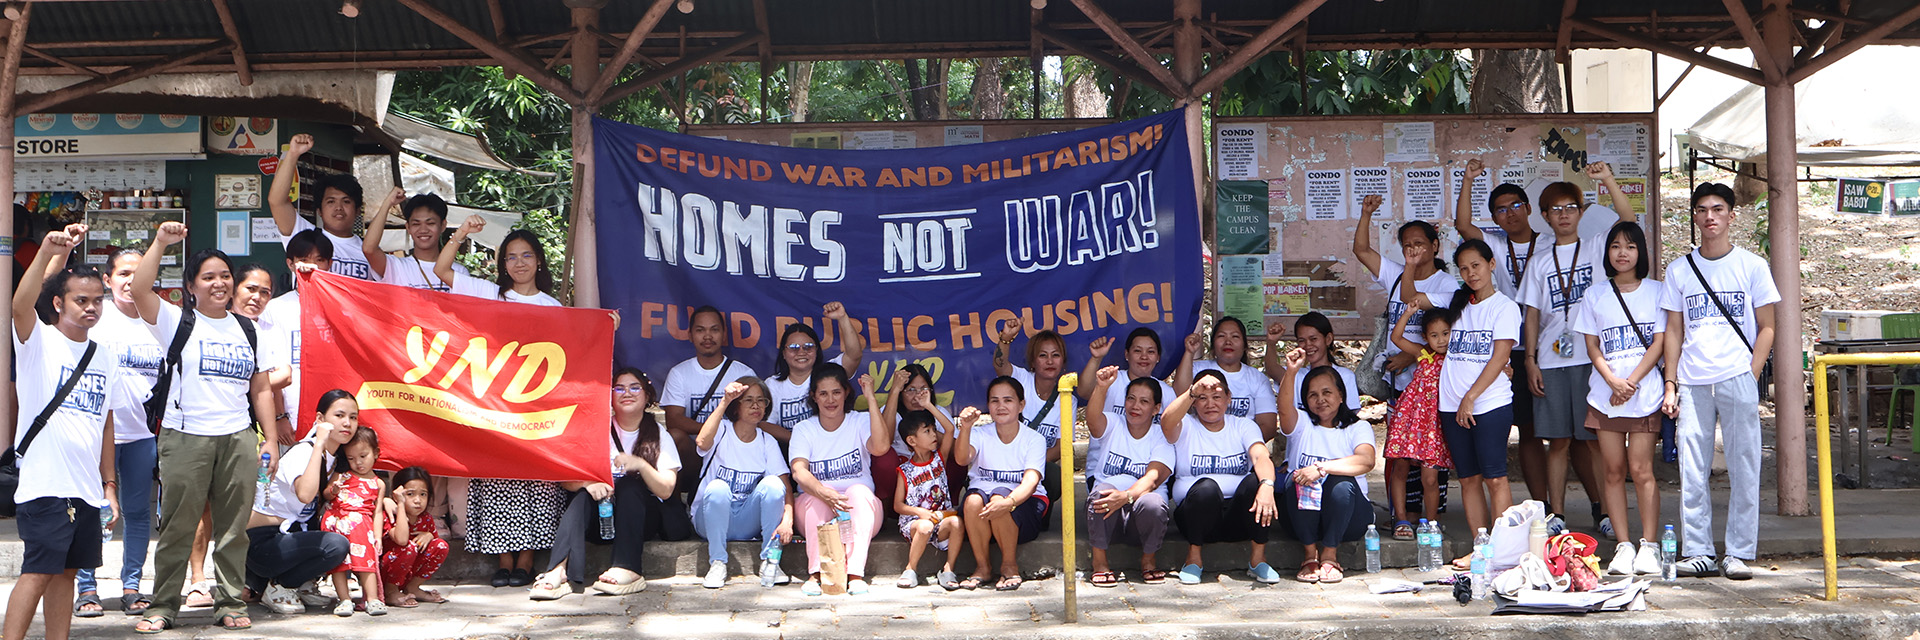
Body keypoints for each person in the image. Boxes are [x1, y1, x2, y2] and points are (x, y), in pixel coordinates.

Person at [130, 222, 279, 634]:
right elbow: (140, 290)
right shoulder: (176, 321)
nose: (219, 283)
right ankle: (162, 606)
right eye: (208, 277)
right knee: (178, 527)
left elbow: (261, 387)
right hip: (185, 437)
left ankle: (230, 602)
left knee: (233, 529)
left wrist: (269, 440)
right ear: (191, 286)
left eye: (225, 276)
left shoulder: (249, 328)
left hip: (237, 438)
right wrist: (160, 242)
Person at [434, 218, 572, 587]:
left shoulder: (553, 306)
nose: (519, 263)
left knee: (534, 482)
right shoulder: (489, 293)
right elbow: (442, 270)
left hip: (534, 405)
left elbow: (571, 351)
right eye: (511, 257)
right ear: (503, 264)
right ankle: (504, 561)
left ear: (539, 261)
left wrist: (607, 325)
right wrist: (461, 234)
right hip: (494, 405)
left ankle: (526, 562)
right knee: (498, 481)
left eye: (527, 255)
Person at [5, 225, 126, 640]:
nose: (91, 308)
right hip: (44, 485)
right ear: (58, 303)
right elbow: (19, 304)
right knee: (38, 571)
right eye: (81, 300)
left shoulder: (104, 356)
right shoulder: (38, 340)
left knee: (68, 573)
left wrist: (109, 486)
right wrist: (46, 252)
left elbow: (106, 422)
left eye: (97, 300)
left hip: (86, 488)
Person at [1660, 182, 1778, 581]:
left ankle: (1740, 551)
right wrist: (1671, 382)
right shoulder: (1679, 270)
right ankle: (1698, 551)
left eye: (1717, 209)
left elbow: (1767, 326)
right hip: (1693, 380)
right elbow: (1673, 330)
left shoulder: (1752, 266)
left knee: (1745, 464)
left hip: (1736, 375)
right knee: (1692, 467)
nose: (1709, 216)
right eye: (1702, 209)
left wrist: (1750, 372)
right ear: (1694, 216)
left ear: (1731, 215)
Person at [1519, 162, 1638, 534]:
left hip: (1594, 359)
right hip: (1551, 360)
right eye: (1556, 209)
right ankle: (1556, 514)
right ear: (1544, 217)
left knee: (1595, 441)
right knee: (1558, 441)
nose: (1564, 215)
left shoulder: (1597, 247)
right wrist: (1530, 359)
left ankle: (1605, 512)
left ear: (1581, 212)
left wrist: (1607, 180)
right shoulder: (1539, 262)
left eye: (1571, 207)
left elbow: (1628, 220)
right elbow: (1532, 314)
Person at [531, 368, 690, 598]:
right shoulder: (596, 430)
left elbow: (666, 490)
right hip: (601, 521)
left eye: (635, 387)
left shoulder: (659, 434)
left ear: (647, 396)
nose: (627, 393)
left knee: (629, 485)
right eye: (619, 388)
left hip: (639, 522)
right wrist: (587, 483)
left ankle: (628, 568)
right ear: (610, 397)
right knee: (582, 496)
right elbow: (566, 481)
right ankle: (558, 571)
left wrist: (641, 465)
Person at [1455, 159, 1549, 523]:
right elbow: (1464, 225)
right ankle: (1527, 511)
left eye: (1515, 206)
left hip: (1544, 349)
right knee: (1518, 430)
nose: (1509, 214)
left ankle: (1548, 508)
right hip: (1505, 350)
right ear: (1494, 218)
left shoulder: (1549, 243)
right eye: (1500, 210)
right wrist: (1468, 179)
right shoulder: (1493, 245)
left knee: (1542, 433)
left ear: (1528, 208)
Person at [73, 249, 161, 618]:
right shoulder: (95, 318)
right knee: (89, 511)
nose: (130, 281)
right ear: (107, 280)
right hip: (94, 435)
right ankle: (86, 588)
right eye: (123, 273)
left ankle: (132, 587)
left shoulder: (160, 320)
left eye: (138, 273)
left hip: (142, 436)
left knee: (138, 514)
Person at [1576, 221, 1667, 576]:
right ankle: (1624, 545)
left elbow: (1659, 342)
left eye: (1630, 246)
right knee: (1612, 471)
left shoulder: (1657, 291)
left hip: (1645, 395)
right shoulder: (1595, 295)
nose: (1622, 253)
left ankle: (1649, 545)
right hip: (1605, 396)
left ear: (1640, 252)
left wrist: (1629, 382)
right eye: (1615, 246)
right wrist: (1612, 381)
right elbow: (1592, 346)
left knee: (1641, 470)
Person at [1437, 239, 1521, 568]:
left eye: (1476, 265)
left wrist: (1471, 397)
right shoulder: (1456, 304)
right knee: (1468, 478)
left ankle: (1504, 550)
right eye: (1464, 268)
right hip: (1451, 405)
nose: (1471, 273)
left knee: (1495, 477)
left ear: (1491, 265)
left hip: (1489, 405)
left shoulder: (1504, 307)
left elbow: (1500, 357)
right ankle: (1481, 548)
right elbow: (1412, 296)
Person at [1163, 371, 1281, 586]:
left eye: (1217, 397)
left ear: (1228, 398)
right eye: (1202, 398)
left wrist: (1267, 484)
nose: (1210, 404)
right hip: (1196, 516)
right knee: (1207, 488)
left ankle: (1258, 560)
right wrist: (1191, 391)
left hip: (1238, 517)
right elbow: (1167, 422)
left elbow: (1260, 455)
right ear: (1193, 402)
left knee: (1256, 482)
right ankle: (1193, 560)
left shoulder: (1243, 425)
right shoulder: (1186, 425)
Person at [244, 390, 354, 616]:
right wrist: (319, 444)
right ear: (320, 419)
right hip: (263, 544)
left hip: (290, 538)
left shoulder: (337, 459)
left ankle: (301, 584)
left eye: (353, 417)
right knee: (335, 545)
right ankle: (281, 586)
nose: (347, 423)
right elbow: (305, 494)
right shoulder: (304, 451)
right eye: (339, 415)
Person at [1274, 351, 1378, 584]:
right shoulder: (1302, 424)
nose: (1320, 399)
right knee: (1296, 477)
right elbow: (1284, 408)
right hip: (1302, 519)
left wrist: (1322, 469)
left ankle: (1330, 555)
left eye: (1327, 392)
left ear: (1341, 395)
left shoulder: (1357, 427)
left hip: (1349, 518)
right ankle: (1310, 555)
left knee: (1341, 482)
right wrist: (1291, 371)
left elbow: (1366, 461)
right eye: (1313, 395)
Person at [787, 364, 890, 596]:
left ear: (846, 393)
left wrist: (871, 399)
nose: (830, 400)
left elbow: (881, 447)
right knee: (816, 497)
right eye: (823, 393)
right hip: (817, 507)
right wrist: (824, 493)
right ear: (814, 396)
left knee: (858, 492)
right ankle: (816, 573)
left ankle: (855, 574)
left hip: (860, 512)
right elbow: (799, 472)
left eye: (836, 392)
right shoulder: (804, 429)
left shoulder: (860, 421)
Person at [691, 378, 794, 590]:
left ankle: (770, 562)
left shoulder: (766, 440)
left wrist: (788, 520)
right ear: (736, 406)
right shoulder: (722, 430)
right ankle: (717, 563)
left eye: (761, 400)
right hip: (710, 519)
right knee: (718, 488)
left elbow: (785, 486)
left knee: (773, 484)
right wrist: (725, 400)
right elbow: (701, 441)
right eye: (748, 400)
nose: (756, 406)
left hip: (746, 521)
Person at [1354, 193, 1460, 393]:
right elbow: (1361, 251)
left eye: (1419, 244)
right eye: (1407, 245)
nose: (1413, 249)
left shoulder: (1446, 284)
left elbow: (1410, 299)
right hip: (1395, 376)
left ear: (1434, 246)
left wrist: (1412, 355)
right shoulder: (1395, 273)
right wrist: (1366, 214)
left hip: (1429, 380)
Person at [955, 377, 1049, 592]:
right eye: (994, 401)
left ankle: (1009, 566)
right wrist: (966, 428)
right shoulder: (979, 434)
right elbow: (961, 459)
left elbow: (1031, 482)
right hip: (981, 510)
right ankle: (982, 567)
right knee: (973, 500)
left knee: (999, 497)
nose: (1001, 406)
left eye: (1008, 400)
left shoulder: (1034, 439)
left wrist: (1009, 502)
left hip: (1022, 505)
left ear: (1021, 405)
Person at [1083, 366, 1174, 587]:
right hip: (1108, 513)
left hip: (1139, 514)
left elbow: (1152, 478)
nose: (1135, 406)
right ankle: (1100, 563)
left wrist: (1125, 497)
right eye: (1131, 399)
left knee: (1153, 504)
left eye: (1144, 401)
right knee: (1101, 495)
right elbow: (1093, 422)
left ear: (1156, 408)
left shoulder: (1162, 437)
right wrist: (1101, 387)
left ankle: (1148, 561)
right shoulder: (1114, 423)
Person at [662, 305, 761, 495]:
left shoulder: (743, 373)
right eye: (700, 330)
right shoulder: (679, 373)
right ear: (690, 335)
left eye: (714, 330)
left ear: (724, 335)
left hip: (733, 451)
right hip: (695, 454)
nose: (707, 336)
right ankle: (672, 503)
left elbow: (755, 417)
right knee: (674, 436)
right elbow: (673, 420)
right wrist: (711, 431)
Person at [1383, 305, 1453, 540]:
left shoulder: (1456, 358)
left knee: (1430, 477)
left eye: (1446, 333)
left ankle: (1432, 523)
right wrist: (1407, 314)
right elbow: (1396, 338)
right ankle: (1401, 520)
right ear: (1425, 337)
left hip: (1435, 424)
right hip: (1410, 418)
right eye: (1434, 335)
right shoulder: (1423, 353)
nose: (1441, 340)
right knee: (1401, 467)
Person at [269, 133, 377, 281]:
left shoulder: (369, 251)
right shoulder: (303, 235)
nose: (338, 207)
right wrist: (293, 154)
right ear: (319, 210)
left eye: (346, 201)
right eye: (331, 202)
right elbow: (277, 202)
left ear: (358, 210)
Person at [992, 324, 1073, 498]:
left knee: (1054, 475)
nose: (1050, 361)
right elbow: (1000, 366)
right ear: (1033, 362)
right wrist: (1005, 339)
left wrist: (1031, 464)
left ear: (1063, 362)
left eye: (1055, 355)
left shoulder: (1068, 398)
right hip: (1004, 463)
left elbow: (1061, 447)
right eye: (1043, 355)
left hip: (1035, 469)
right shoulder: (1021, 379)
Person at [890, 409, 964, 590]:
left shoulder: (939, 458)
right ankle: (910, 569)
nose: (933, 435)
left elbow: (949, 429)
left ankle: (948, 569)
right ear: (911, 440)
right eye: (927, 431)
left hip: (941, 520)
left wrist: (928, 405)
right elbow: (898, 505)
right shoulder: (905, 471)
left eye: (933, 429)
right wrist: (919, 512)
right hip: (916, 523)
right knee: (924, 527)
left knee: (957, 523)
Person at [767, 303, 865, 438]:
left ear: (816, 350)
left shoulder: (829, 373)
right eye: (794, 347)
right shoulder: (772, 385)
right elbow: (765, 424)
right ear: (783, 353)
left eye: (808, 346)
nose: (801, 352)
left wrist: (842, 318)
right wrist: (800, 441)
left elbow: (854, 355)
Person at [1173, 317, 1279, 440]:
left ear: (1245, 345)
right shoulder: (1197, 369)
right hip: (1200, 442)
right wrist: (1189, 352)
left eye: (1235, 336)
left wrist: (1237, 446)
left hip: (1244, 445)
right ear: (1213, 345)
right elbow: (1179, 395)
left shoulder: (1258, 379)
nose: (1228, 342)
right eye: (1221, 336)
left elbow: (1268, 426)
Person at [321, 427, 387, 617]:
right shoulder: (342, 474)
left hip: (363, 526)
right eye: (351, 458)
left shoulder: (378, 483)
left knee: (367, 563)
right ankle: (344, 599)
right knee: (339, 564)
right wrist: (333, 490)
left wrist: (377, 536)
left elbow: (377, 511)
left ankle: (372, 599)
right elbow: (326, 494)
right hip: (337, 522)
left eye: (363, 456)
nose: (358, 462)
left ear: (376, 453)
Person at [363, 192, 469, 291]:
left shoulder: (459, 272)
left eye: (430, 223)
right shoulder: (396, 267)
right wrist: (387, 203)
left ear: (443, 225)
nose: (423, 230)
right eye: (416, 224)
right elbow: (369, 249)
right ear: (408, 227)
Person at [379, 466, 450, 608]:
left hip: (409, 572)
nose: (418, 500)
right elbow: (401, 540)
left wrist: (429, 535)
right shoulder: (390, 515)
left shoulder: (426, 518)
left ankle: (412, 587)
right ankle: (390, 591)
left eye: (423, 494)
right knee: (408, 547)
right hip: (388, 572)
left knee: (441, 545)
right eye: (410, 494)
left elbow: (435, 546)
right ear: (397, 494)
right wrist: (400, 504)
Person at [1264, 312, 1361, 413]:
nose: (1308, 345)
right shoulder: (1295, 375)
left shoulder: (1345, 376)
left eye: (1313, 339)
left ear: (1328, 339)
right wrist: (1271, 343)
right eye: (1302, 340)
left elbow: (1351, 414)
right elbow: (1272, 369)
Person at [1076, 328, 1175, 422]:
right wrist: (1096, 358)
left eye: (1150, 352)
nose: (1144, 356)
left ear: (1158, 357)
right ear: (1127, 354)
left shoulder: (1167, 393)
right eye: (1137, 351)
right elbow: (1084, 392)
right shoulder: (1111, 379)